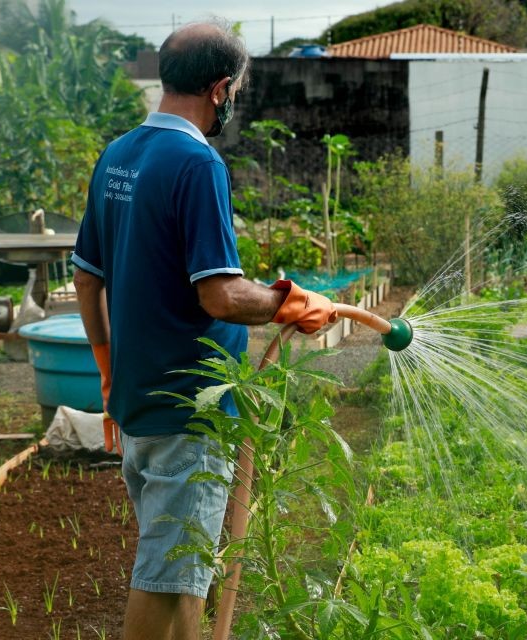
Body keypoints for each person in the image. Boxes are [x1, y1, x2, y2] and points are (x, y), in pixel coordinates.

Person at [71, 22, 336, 640]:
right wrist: (289, 303)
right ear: (221, 89)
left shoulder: (118, 154)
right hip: (191, 412)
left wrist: (109, 374)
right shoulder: (196, 163)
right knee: (163, 575)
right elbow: (218, 293)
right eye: (235, 89)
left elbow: (87, 280)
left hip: (136, 400)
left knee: (181, 570)